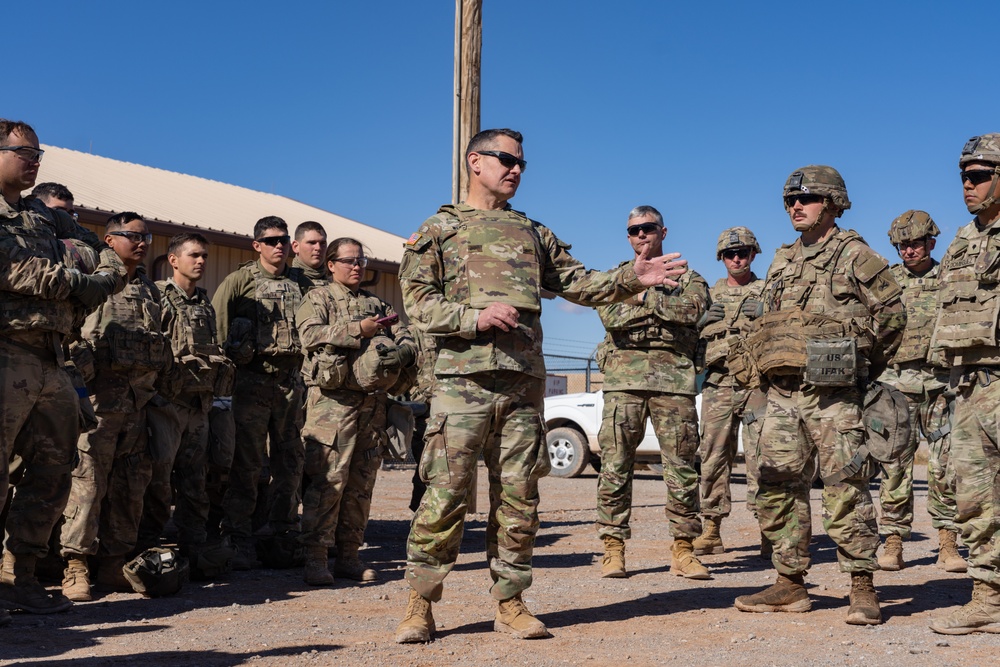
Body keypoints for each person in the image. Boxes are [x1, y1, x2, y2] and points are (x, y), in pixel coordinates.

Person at [394, 128, 687, 643]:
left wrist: (631, 277)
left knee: (519, 498)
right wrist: (474, 316)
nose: (516, 170)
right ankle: (420, 604)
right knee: (445, 495)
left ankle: (510, 602)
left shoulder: (532, 232)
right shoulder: (439, 230)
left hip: (523, 388)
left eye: (522, 163)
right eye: (506, 159)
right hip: (461, 384)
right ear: (474, 162)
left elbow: (576, 281)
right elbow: (417, 304)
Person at [732, 165, 905, 626]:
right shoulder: (782, 259)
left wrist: (860, 369)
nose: (795, 206)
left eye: (805, 199)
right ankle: (790, 583)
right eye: (790, 200)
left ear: (831, 203)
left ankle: (862, 586)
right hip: (783, 394)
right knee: (776, 485)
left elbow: (892, 319)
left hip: (833, 396)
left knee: (845, 486)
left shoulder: (857, 255)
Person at [0, 119, 123, 623]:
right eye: (24, 151)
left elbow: (107, 258)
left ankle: (20, 576)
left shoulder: (46, 216)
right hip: (6, 353)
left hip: (52, 358)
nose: (34, 161)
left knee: (52, 473)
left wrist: (99, 277)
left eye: (39, 153)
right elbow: (15, 269)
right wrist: (81, 283)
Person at [593, 205, 710, 580]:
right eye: (634, 230)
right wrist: (659, 304)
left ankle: (684, 549)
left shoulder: (688, 276)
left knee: (681, 470)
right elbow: (609, 316)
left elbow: (692, 312)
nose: (641, 235)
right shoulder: (616, 277)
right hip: (623, 383)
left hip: (673, 384)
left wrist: (641, 299)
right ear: (628, 237)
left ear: (663, 231)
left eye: (648, 228)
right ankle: (613, 548)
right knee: (614, 468)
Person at [60, 212, 171, 601]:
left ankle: (113, 562)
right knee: (88, 484)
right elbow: (68, 333)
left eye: (147, 237)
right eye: (133, 236)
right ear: (109, 241)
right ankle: (75, 566)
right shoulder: (93, 279)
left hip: (137, 403)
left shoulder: (149, 289)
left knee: (131, 485)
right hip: (98, 403)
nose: (142, 243)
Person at [296, 237, 417, 585]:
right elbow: (309, 335)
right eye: (349, 260)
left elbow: (404, 332)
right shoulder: (317, 298)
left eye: (361, 260)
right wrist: (355, 330)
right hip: (333, 407)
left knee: (361, 483)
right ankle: (316, 559)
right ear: (331, 264)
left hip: (371, 407)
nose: (357, 266)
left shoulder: (376, 303)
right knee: (328, 482)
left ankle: (349, 555)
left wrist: (404, 351)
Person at [213, 216, 314, 569]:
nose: (279, 246)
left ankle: (283, 535)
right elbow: (219, 332)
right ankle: (240, 537)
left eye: (284, 240)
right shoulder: (239, 281)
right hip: (252, 383)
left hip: (291, 384)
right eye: (271, 240)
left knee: (291, 463)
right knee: (247, 464)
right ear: (257, 245)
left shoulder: (302, 283)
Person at [928, 134, 1000, 635]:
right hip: (969, 382)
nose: (968, 186)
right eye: (964, 178)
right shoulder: (960, 241)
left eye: (978, 176)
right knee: (975, 492)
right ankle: (988, 595)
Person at [135, 233, 235, 576]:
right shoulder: (158, 298)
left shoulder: (203, 303)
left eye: (205, 256)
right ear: (174, 260)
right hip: (166, 404)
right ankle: (147, 549)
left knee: (197, 480)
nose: (202, 261)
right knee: (159, 480)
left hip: (199, 405)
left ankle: (193, 549)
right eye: (194, 255)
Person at [874, 211, 963, 573]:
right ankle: (894, 540)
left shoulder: (950, 277)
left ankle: (948, 541)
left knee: (946, 465)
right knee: (894, 466)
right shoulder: (887, 282)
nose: (909, 251)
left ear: (931, 242)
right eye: (902, 245)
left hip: (943, 385)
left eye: (915, 243)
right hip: (897, 386)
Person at [692, 226, 765, 556]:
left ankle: (770, 530)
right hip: (718, 384)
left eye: (743, 252)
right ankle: (711, 528)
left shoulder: (767, 291)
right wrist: (701, 320)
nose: (737, 259)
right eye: (730, 254)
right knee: (713, 458)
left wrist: (769, 314)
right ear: (721, 258)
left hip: (756, 387)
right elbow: (688, 339)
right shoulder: (707, 293)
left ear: (753, 254)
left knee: (762, 459)